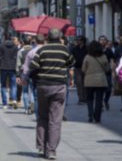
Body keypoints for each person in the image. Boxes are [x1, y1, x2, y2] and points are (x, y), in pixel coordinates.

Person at [30, 28, 75, 159]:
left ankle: (41, 147)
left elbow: (34, 66)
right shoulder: (65, 49)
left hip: (43, 86)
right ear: (60, 37)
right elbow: (72, 63)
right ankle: (51, 150)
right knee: (55, 120)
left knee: (42, 117)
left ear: (47, 37)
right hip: (59, 86)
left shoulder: (42, 50)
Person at [82, 40, 109, 123]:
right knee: (99, 99)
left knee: (89, 99)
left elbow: (83, 69)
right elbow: (107, 69)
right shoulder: (103, 56)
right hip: (101, 80)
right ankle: (97, 117)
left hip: (89, 80)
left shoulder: (87, 57)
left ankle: (90, 115)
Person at [22, 34, 45, 116]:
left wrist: (24, 77)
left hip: (34, 76)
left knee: (36, 97)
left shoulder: (31, 52)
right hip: (47, 77)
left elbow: (26, 67)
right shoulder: (47, 51)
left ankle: (38, 117)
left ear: (36, 42)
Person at [0, 37, 19, 109]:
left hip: (3, 67)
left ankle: (4, 104)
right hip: (12, 68)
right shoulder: (15, 47)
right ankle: (14, 100)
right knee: (13, 85)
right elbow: (16, 57)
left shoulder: (1, 46)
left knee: (3, 86)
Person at [16, 36, 32, 111]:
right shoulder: (34, 50)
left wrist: (17, 75)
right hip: (32, 72)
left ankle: (26, 108)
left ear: (23, 43)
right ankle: (32, 102)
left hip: (23, 72)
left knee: (25, 90)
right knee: (32, 89)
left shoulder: (20, 51)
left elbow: (18, 65)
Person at [71, 35, 88, 104]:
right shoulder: (74, 49)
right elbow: (71, 57)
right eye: (77, 40)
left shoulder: (87, 49)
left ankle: (85, 97)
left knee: (85, 83)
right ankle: (81, 99)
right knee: (79, 83)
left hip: (86, 68)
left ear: (83, 41)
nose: (78, 41)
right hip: (77, 68)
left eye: (80, 40)